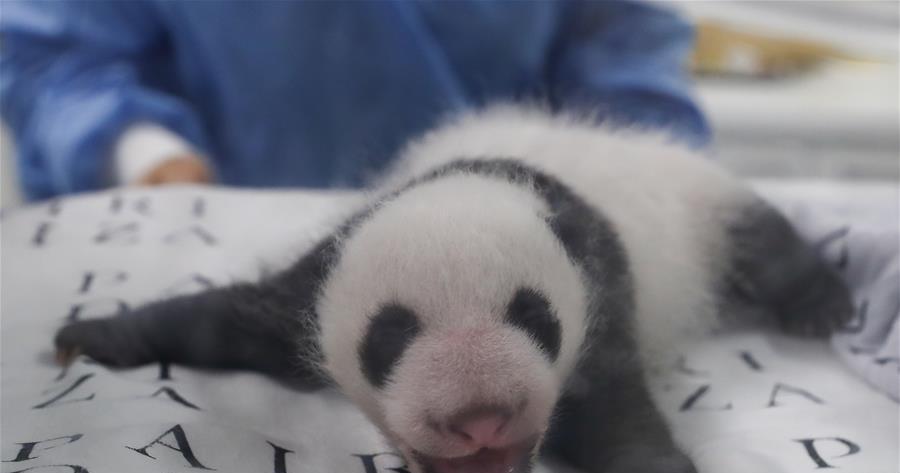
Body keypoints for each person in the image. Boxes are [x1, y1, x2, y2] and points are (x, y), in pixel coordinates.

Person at [0, 0, 710, 202]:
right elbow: (45, 54)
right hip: (208, 245)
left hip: (513, 239)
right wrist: (147, 156)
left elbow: (621, 56)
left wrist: (628, 190)